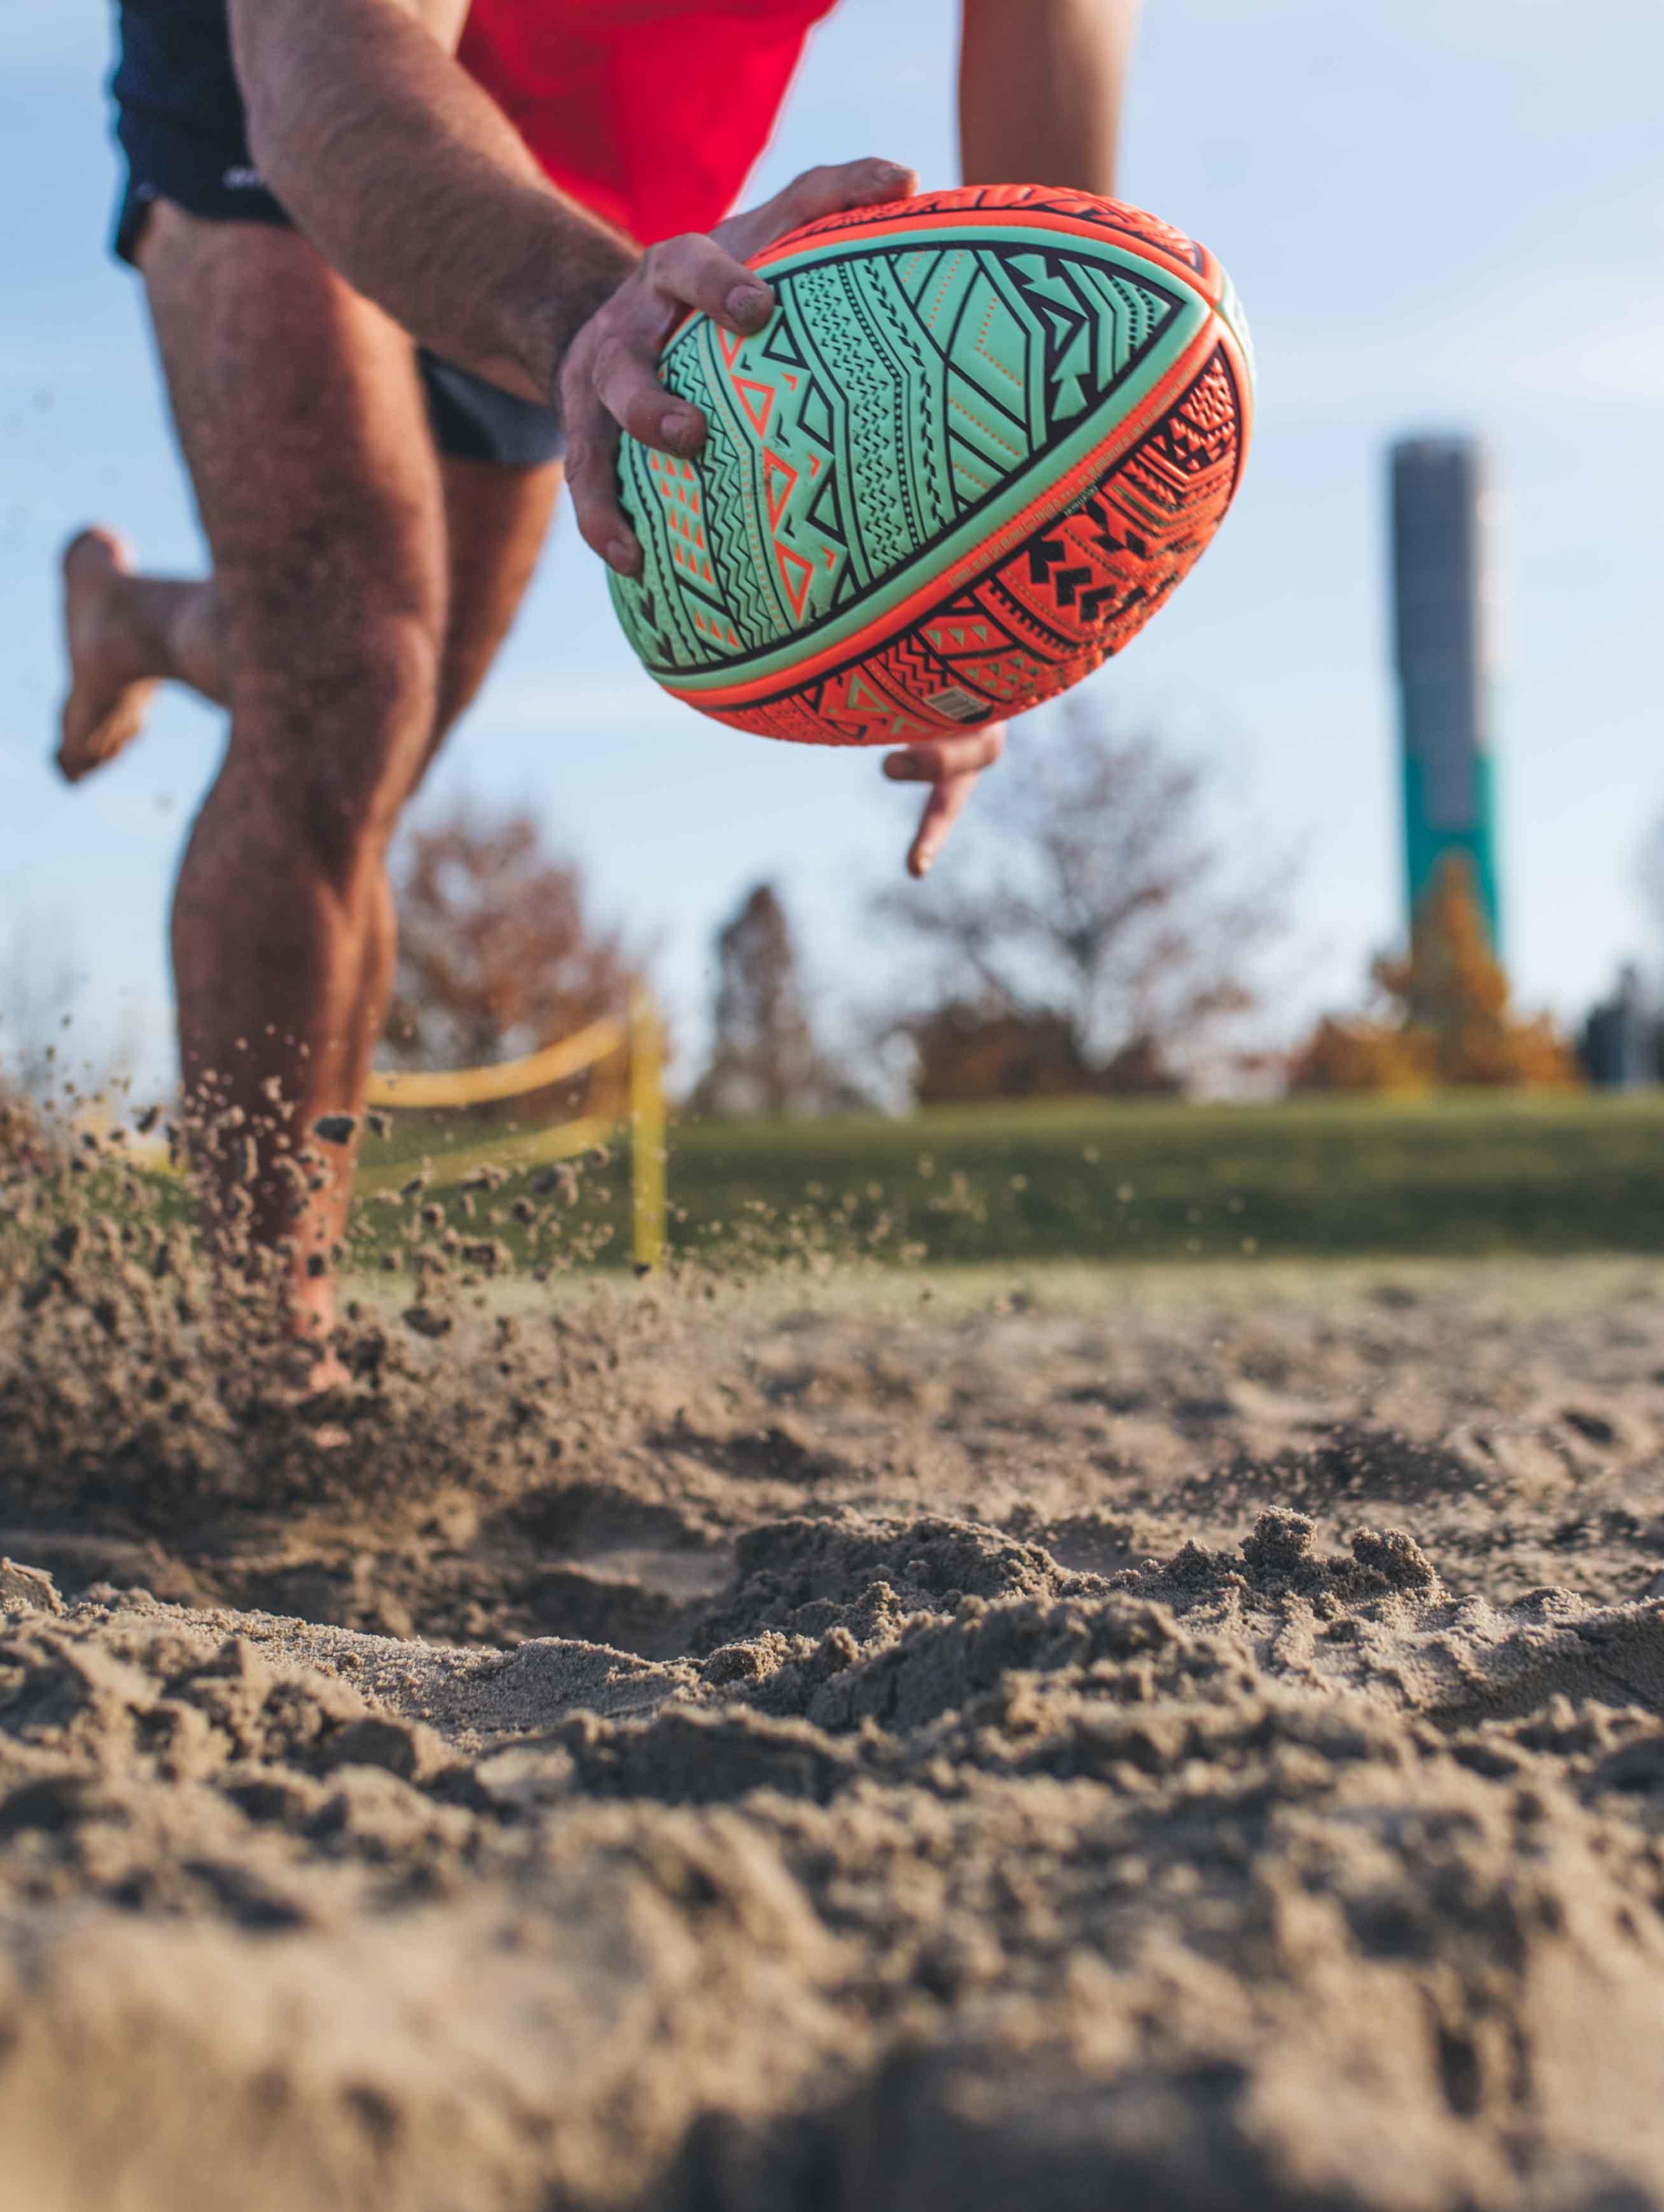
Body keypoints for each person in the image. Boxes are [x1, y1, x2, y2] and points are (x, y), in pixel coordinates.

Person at [55, 0, 1139, 1328]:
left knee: (360, 713)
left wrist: (1010, 573)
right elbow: (326, 66)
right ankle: (271, 1349)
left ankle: (137, 623)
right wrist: (584, 311)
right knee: (346, 679)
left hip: (610, 172)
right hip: (312, 73)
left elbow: (1056, 276)